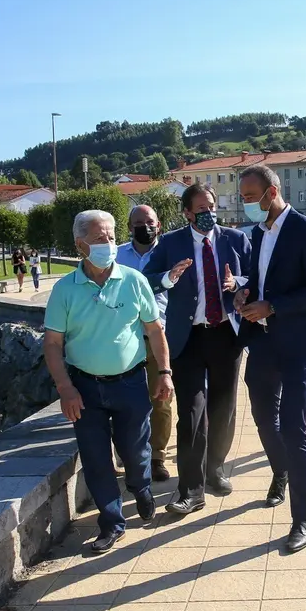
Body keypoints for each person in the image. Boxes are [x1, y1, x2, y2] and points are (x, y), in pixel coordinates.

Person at [43, 210, 173, 553]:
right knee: (96, 458)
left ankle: (140, 486)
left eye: (113, 237)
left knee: (135, 449)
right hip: (84, 388)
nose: (109, 244)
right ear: (80, 244)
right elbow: (53, 344)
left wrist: (164, 372)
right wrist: (65, 388)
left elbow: (154, 329)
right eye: (101, 238)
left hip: (130, 384)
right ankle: (112, 522)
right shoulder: (64, 290)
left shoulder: (134, 280)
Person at [235, 164, 306, 553]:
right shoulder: (258, 234)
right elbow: (259, 279)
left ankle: (302, 518)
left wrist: (272, 306)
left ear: (271, 193)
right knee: (262, 418)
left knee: (294, 427)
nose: (246, 205)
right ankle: (282, 472)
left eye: (249, 197)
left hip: (298, 348)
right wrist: (244, 296)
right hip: (262, 344)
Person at [145, 184, 251, 514]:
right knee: (191, 412)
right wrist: (168, 279)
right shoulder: (171, 243)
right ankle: (190, 490)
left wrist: (239, 284)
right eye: (201, 208)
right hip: (187, 339)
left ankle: (214, 469)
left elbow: (256, 276)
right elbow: (147, 278)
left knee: (223, 407)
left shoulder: (235, 240)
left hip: (225, 335)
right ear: (187, 213)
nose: (209, 213)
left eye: (212, 206)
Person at [117, 205, 174, 482]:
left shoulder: (169, 254)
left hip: (157, 337)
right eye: (138, 222)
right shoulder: (116, 255)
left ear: (158, 224)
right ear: (129, 227)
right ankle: (131, 455)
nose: (144, 226)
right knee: (126, 402)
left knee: (161, 400)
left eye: (149, 221)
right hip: (122, 340)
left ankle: (157, 457)